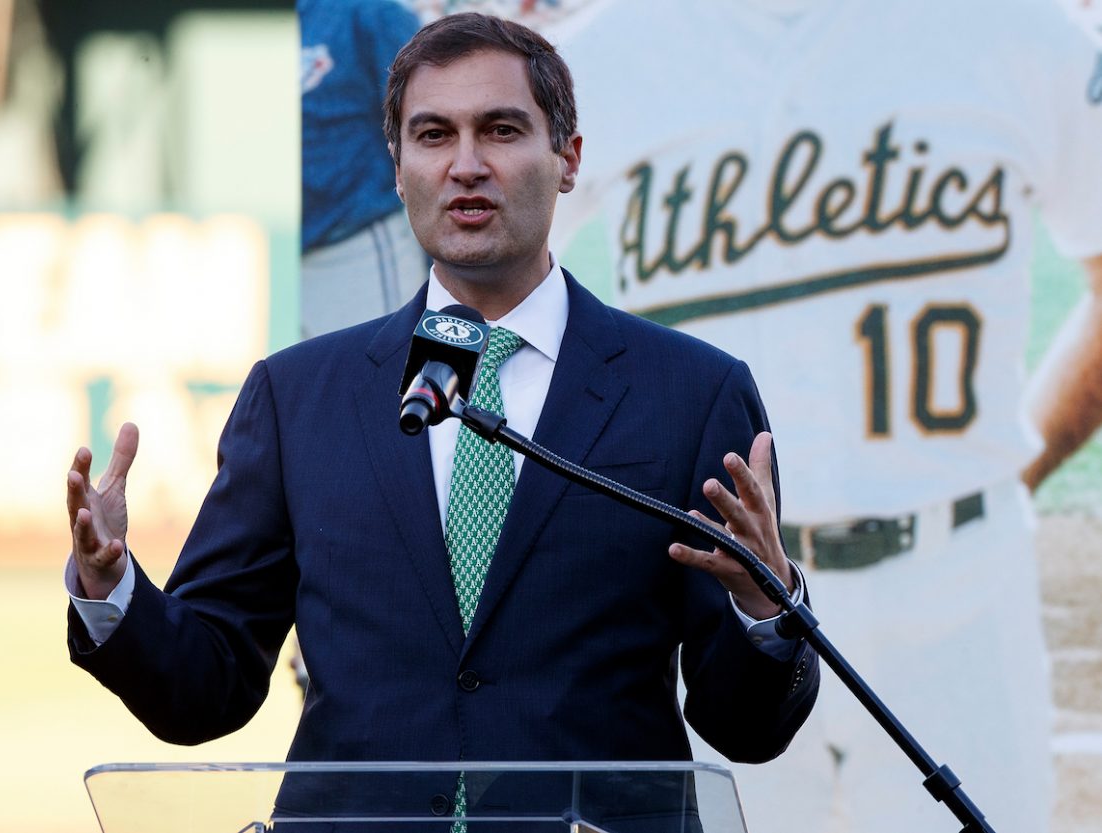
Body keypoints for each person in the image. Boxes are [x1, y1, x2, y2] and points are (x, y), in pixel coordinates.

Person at [64, 12, 818, 814]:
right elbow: (204, 689)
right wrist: (112, 588)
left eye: (499, 130)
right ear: (397, 168)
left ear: (568, 159)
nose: (465, 165)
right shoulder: (298, 397)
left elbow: (746, 726)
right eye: (432, 136)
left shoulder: (691, 394)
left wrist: (765, 606)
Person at [551, 1, 1102, 831]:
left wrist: (1017, 469)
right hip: (714, 595)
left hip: (962, 585)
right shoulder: (600, 55)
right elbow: (486, 292)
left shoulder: (1024, 34)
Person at [299, 0, 430, 338]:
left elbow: (427, 127)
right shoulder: (238, 16)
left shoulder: (371, 12)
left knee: (378, 383)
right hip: (264, 249)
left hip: (354, 245)